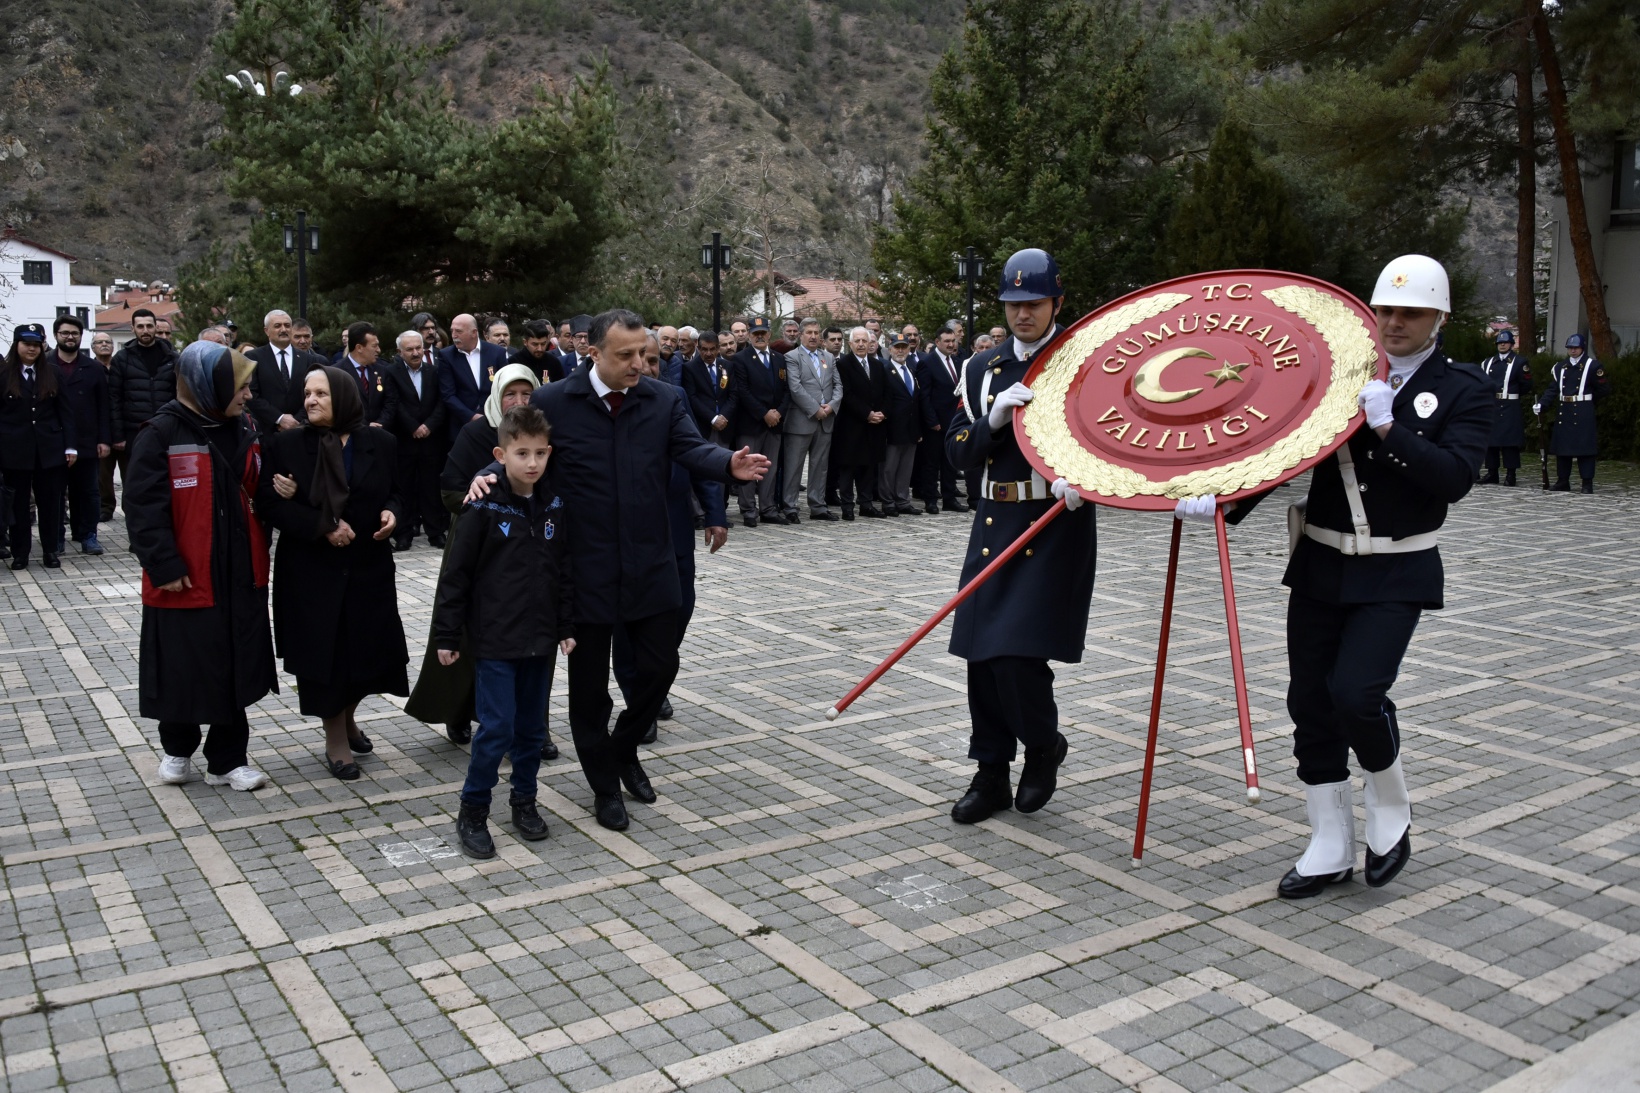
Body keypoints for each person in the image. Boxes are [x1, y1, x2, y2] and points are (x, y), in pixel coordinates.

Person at [1193, 254, 1491, 899]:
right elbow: (1277, 446)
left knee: (1356, 693)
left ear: (1438, 316)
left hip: (1398, 566)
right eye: (1385, 310)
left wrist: (1388, 425)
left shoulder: (1464, 388)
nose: (1394, 323)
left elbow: (1455, 478)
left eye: (1410, 313)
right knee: (1309, 701)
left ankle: (1389, 807)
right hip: (1322, 563)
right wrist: (1218, 498)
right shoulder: (1340, 372)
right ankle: (1327, 840)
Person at [465, 309, 770, 831]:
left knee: (659, 669)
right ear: (594, 354)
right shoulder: (554, 401)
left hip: (650, 561)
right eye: (624, 355)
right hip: (583, 570)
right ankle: (605, 787)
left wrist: (727, 465)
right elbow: (526, 452)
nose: (637, 364)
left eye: (641, 353)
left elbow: (692, 448)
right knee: (589, 691)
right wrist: (489, 474)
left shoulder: (662, 399)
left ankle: (620, 749)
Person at [943, 249, 1097, 825]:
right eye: (1012, 305)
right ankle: (990, 772)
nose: (1022, 314)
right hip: (994, 517)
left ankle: (1043, 746)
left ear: (1057, 301)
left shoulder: (1084, 362)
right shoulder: (982, 368)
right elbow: (957, 452)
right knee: (980, 656)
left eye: (1032, 303)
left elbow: (1113, 437)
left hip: (1053, 521)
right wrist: (992, 421)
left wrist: (1092, 482)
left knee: (1016, 654)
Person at [127, 341, 275, 791]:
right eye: (241, 386)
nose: (248, 395)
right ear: (210, 385)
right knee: (182, 665)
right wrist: (165, 565)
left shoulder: (244, 425)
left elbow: (255, 488)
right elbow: (142, 506)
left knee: (233, 664)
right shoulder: (161, 432)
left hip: (238, 572)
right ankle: (177, 748)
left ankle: (228, 760)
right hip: (186, 577)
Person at [434, 404, 574, 858]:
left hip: (540, 640)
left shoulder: (554, 501)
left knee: (531, 731)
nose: (531, 463)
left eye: (539, 454)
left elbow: (564, 570)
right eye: (520, 454)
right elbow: (457, 575)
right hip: (495, 639)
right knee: (496, 728)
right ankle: (472, 809)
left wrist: (566, 625)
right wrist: (447, 636)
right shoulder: (484, 505)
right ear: (501, 454)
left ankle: (524, 801)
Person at [259, 366, 408, 780]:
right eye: (307, 393)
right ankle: (335, 741)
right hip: (312, 574)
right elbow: (268, 505)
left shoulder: (379, 441)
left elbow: (397, 491)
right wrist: (323, 524)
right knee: (325, 659)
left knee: (366, 653)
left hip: (367, 568)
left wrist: (392, 514)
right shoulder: (287, 445)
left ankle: (349, 720)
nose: (310, 401)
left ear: (342, 396)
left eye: (321, 393)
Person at [406, 364, 546, 752]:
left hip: (525, 548)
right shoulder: (476, 432)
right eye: (510, 395)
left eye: (526, 394)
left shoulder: (540, 433)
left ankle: (527, 725)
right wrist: (478, 493)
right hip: (477, 546)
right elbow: (449, 491)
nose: (518, 402)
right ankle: (458, 709)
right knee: (467, 634)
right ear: (496, 396)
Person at [611, 334, 728, 744]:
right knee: (629, 629)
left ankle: (654, 680)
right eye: (637, 357)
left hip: (675, 532)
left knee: (677, 612)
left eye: (654, 359)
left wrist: (715, 514)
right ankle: (639, 704)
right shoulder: (605, 403)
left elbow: (696, 453)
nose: (646, 366)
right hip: (626, 540)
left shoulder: (671, 397)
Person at [1, 325, 77, 569]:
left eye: (36, 344)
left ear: (43, 346)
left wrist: (70, 447)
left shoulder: (52, 372)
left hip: (49, 450)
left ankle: (50, 551)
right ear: (17, 345)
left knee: (50, 504)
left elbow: (66, 413)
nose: (32, 348)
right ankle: (20, 553)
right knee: (19, 504)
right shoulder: (4, 374)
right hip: (15, 450)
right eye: (27, 344)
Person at [109, 309, 179, 534]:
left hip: (167, 429)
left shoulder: (171, 356)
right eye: (140, 326)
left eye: (150, 326)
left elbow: (179, 395)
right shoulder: (122, 358)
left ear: (156, 328)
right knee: (136, 485)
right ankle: (138, 533)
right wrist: (117, 435)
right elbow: (114, 398)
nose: (146, 331)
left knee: (167, 483)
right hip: (134, 432)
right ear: (133, 329)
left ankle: (166, 529)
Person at [383, 330, 449, 550]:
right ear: (400, 351)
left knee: (431, 488)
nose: (415, 353)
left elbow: (441, 402)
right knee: (405, 489)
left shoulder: (434, 371)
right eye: (409, 349)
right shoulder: (391, 372)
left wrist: (429, 425)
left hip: (431, 440)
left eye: (418, 348)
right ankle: (404, 534)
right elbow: (395, 403)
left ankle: (435, 533)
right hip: (405, 439)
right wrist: (413, 426)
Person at [51, 316, 111, 555]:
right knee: (55, 493)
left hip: (87, 440)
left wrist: (104, 439)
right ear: (56, 335)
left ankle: (88, 535)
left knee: (88, 492)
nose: (70, 337)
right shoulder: (45, 365)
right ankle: (55, 538)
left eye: (74, 333)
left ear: (81, 336)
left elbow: (103, 407)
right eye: (65, 333)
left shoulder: (93, 368)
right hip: (54, 441)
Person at [729, 316, 788, 527]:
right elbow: (742, 392)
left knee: (769, 469)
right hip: (751, 422)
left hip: (775, 423)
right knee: (748, 467)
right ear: (750, 335)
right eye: (756, 333)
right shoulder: (740, 359)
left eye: (763, 333)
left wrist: (778, 413)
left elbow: (786, 391)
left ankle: (768, 508)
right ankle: (748, 510)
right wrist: (764, 413)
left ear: (770, 334)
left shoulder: (779, 359)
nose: (760, 336)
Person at [781, 318, 842, 522]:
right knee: (794, 466)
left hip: (825, 420)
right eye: (809, 333)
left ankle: (818, 505)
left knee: (820, 465)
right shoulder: (792, 357)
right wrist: (815, 409)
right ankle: (790, 506)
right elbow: (795, 388)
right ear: (800, 335)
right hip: (801, 420)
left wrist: (832, 406)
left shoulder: (829, 358)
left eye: (816, 333)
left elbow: (838, 386)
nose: (814, 336)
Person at [1535, 334, 1609, 493]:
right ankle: (1563, 481)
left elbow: (1603, 390)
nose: (1573, 351)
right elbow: (1553, 389)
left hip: (1583, 410)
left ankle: (1587, 483)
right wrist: (1542, 403)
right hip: (1565, 410)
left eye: (1575, 348)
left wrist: (1587, 401)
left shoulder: (1593, 366)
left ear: (1582, 348)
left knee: (1585, 449)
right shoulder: (1560, 367)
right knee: (1563, 448)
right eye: (1570, 348)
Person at [833, 326, 888, 520]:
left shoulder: (878, 365)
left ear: (872, 343)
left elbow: (885, 393)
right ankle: (847, 505)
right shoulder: (843, 364)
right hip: (852, 424)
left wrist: (881, 413)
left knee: (868, 466)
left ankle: (866, 504)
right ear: (850, 344)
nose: (862, 344)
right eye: (857, 341)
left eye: (865, 341)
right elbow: (846, 394)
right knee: (848, 467)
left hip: (875, 425)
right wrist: (867, 413)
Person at [879, 332, 932, 517]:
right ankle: (888, 502)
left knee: (905, 469)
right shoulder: (884, 369)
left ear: (909, 349)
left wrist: (918, 428)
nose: (900, 350)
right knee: (889, 468)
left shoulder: (911, 368)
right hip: (892, 427)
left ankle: (902, 500)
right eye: (897, 347)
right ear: (890, 348)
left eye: (904, 347)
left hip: (911, 428)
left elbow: (915, 401)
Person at [917, 322, 968, 513]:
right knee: (931, 463)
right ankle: (930, 499)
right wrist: (932, 421)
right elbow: (925, 396)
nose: (951, 345)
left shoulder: (956, 362)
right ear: (937, 342)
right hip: (936, 423)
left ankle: (949, 499)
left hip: (954, 421)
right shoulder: (927, 363)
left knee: (950, 463)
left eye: (953, 341)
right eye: (947, 341)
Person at [247, 309, 324, 434]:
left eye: (287, 325)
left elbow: (315, 393)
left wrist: (296, 421)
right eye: (277, 326)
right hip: (267, 432)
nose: (283, 330)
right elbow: (251, 394)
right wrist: (279, 418)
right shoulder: (254, 357)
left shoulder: (308, 359)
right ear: (266, 331)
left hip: (302, 430)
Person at [1476, 330, 1531, 486]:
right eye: (1500, 343)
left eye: (1505, 342)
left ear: (1511, 345)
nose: (1502, 345)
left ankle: (1510, 474)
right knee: (1490, 441)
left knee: (1510, 443)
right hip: (1492, 404)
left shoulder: (1520, 362)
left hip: (1509, 405)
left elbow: (1526, 385)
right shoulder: (1487, 362)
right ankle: (1492, 472)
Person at [438, 313, 508, 425]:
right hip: (462, 423)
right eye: (452, 331)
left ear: (474, 333)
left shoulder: (497, 353)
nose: (454, 335)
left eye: (459, 331)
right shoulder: (446, 356)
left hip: (495, 421)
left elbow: (505, 387)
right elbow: (448, 395)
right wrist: (471, 416)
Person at [340, 322, 397, 429]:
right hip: (353, 435)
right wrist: (365, 425)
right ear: (359, 348)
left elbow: (390, 402)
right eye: (374, 346)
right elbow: (340, 407)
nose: (378, 350)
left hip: (380, 435)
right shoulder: (338, 372)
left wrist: (381, 423)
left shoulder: (382, 370)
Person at [681, 331, 734, 447]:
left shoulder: (727, 366)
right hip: (703, 426)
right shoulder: (690, 368)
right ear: (698, 348)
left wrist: (723, 416)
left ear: (718, 348)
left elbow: (733, 394)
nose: (708, 353)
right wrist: (713, 418)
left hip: (725, 425)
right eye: (704, 349)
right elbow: (692, 397)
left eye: (712, 349)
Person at [510, 319, 566, 384]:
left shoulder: (553, 362)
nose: (540, 349)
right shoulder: (514, 363)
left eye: (543, 344)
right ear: (525, 342)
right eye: (535, 344)